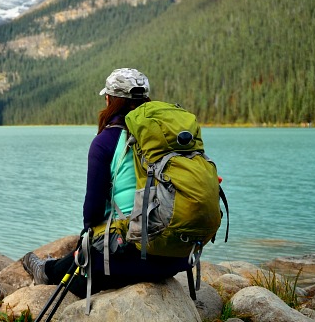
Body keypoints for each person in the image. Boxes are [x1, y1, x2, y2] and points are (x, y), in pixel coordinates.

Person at [20, 67, 191, 297]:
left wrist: (85, 244)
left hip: (130, 261)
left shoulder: (106, 142)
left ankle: (47, 271)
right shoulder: (169, 138)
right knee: (89, 250)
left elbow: (92, 213)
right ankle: (50, 268)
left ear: (111, 100)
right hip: (176, 256)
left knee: (87, 256)